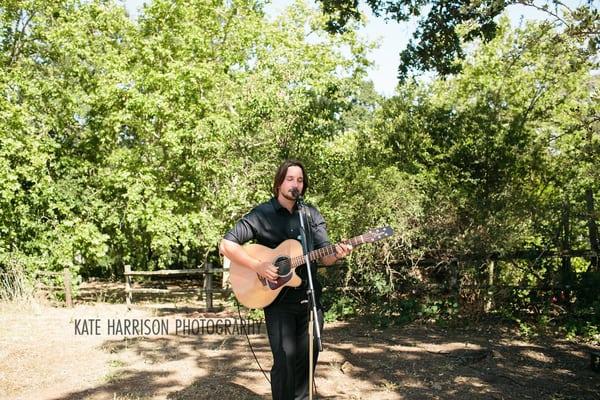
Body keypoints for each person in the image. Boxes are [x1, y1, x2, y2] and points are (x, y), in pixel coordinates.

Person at [219, 159, 352, 400]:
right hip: (277, 301)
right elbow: (226, 244)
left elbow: (325, 257)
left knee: (308, 359)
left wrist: (338, 252)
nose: (295, 184)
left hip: (310, 298)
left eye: (300, 180)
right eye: (290, 179)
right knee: (285, 360)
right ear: (279, 182)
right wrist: (258, 264)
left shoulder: (310, 215)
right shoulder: (263, 214)